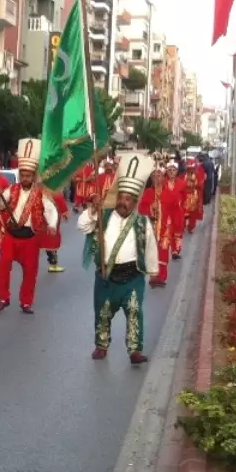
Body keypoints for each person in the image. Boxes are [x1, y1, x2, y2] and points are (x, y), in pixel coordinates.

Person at [80, 153, 160, 365]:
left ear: (135, 201)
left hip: (132, 276)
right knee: (103, 312)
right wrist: (91, 211)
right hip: (106, 276)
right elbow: (82, 226)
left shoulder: (142, 222)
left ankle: (134, 350)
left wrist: (152, 271)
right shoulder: (103, 215)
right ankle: (101, 345)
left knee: (134, 310)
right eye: (121, 197)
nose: (123, 202)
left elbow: (150, 245)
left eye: (128, 199)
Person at [0, 138, 59, 314]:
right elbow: (0, 205)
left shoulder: (40, 193)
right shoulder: (11, 189)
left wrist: (52, 224)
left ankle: (26, 302)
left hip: (30, 237)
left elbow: (51, 210)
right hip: (11, 235)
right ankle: (3, 298)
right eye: (22, 175)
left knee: (30, 271)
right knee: (3, 265)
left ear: (34, 176)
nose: (24, 178)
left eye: (28, 175)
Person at [138, 164, 173, 288]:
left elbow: (174, 208)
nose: (156, 178)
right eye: (154, 176)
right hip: (151, 226)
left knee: (163, 250)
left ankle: (162, 276)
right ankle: (153, 276)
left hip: (165, 226)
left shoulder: (169, 191)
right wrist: (150, 208)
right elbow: (141, 208)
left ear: (163, 177)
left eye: (159, 175)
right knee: (152, 251)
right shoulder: (147, 192)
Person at [163, 161, 187, 259]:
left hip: (177, 211)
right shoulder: (163, 183)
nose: (172, 172)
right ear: (167, 172)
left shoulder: (182, 183)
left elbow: (185, 197)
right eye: (170, 170)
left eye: (174, 170)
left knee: (177, 231)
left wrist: (184, 209)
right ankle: (164, 249)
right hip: (166, 211)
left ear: (177, 171)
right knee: (167, 230)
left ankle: (175, 250)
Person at [44, 187, 70, 273]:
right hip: (50, 223)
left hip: (42, 222)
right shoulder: (54, 193)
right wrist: (65, 213)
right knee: (51, 243)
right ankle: (53, 265)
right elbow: (61, 203)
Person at [183, 160, 204, 234]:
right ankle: (183, 226)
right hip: (185, 197)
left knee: (193, 214)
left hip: (194, 197)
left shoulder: (198, 175)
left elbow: (200, 185)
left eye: (192, 168)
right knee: (183, 213)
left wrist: (194, 183)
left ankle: (190, 227)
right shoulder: (184, 175)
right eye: (188, 168)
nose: (190, 170)